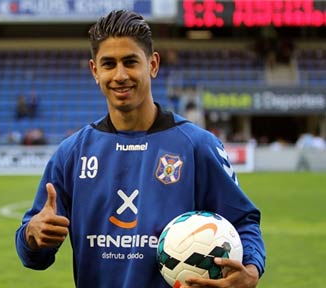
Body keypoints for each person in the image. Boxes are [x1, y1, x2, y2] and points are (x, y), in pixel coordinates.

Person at [15, 10, 265, 288]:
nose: (120, 75)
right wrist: (32, 236)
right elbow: (34, 255)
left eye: (130, 62)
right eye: (108, 64)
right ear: (95, 71)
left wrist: (251, 269)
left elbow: (243, 220)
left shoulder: (197, 146)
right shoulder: (72, 154)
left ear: (153, 65)